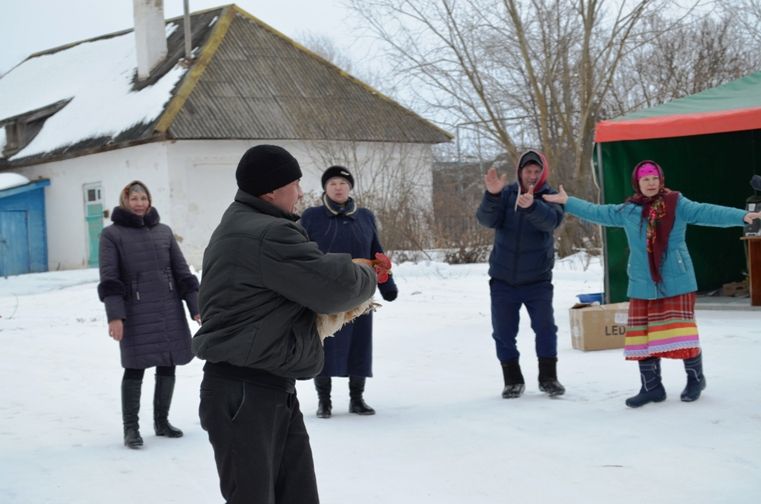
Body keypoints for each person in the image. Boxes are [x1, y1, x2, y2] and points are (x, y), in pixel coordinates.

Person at [192, 145, 380, 504]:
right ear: (271, 190)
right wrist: (367, 272)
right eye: (295, 183)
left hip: (263, 387)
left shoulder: (245, 224)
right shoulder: (266, 234)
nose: (300, 192)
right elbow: (334, 288)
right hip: (246, 392)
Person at [543, 160, 761, 408]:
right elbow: (597, 212)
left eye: (654, 178)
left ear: (661, 180)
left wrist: (743, 215)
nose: (650, 182)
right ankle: (652, 388)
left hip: (676, 279)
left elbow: (708, 212)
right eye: (645, 178)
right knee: (643, 336)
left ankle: (696, 380)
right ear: (638, 182)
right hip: (642, 282)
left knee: (682, 334)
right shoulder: (628, 210)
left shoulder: (676, 203)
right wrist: (568, 201)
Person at [97, 180, 200, 449]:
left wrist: (196, 307)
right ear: (125, 201)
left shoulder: (163, 232)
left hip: (168, 309)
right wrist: (115, 316)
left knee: (168, 363)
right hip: (135, 312)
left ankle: (161, 422)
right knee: (134, 368)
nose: (140, 203)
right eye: (134, 198)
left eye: (144, 198)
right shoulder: (112, 235)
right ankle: (131, 429)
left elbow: (183, 274)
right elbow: (110, 279)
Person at [300, 166, 398, 419]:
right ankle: (325, 402)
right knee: (325, 343)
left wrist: (387, 285)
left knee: (359, 345)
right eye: (332, 183)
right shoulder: (311, 217)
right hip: (325, 293)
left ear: (350, 187)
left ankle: (357, 398)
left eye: (343, 183)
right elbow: (300, 253)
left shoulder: (365, 217)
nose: (338, 187)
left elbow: (377, 253)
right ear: (325, 187)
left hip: (361, 291)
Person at [476, 149, 566, 399]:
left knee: (546, 328)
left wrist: (531, 207)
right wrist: (492, 195)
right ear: (520, 172)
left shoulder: (550, 196)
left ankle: (549, 378)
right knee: (503, 332)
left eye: (537, 172)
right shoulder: (505, 194)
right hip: (504, 280)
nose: (533, 176)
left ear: (543, 173)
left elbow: (551, 223)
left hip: (537, 280)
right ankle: (512, 380)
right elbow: (485, 219)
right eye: (529, 171)